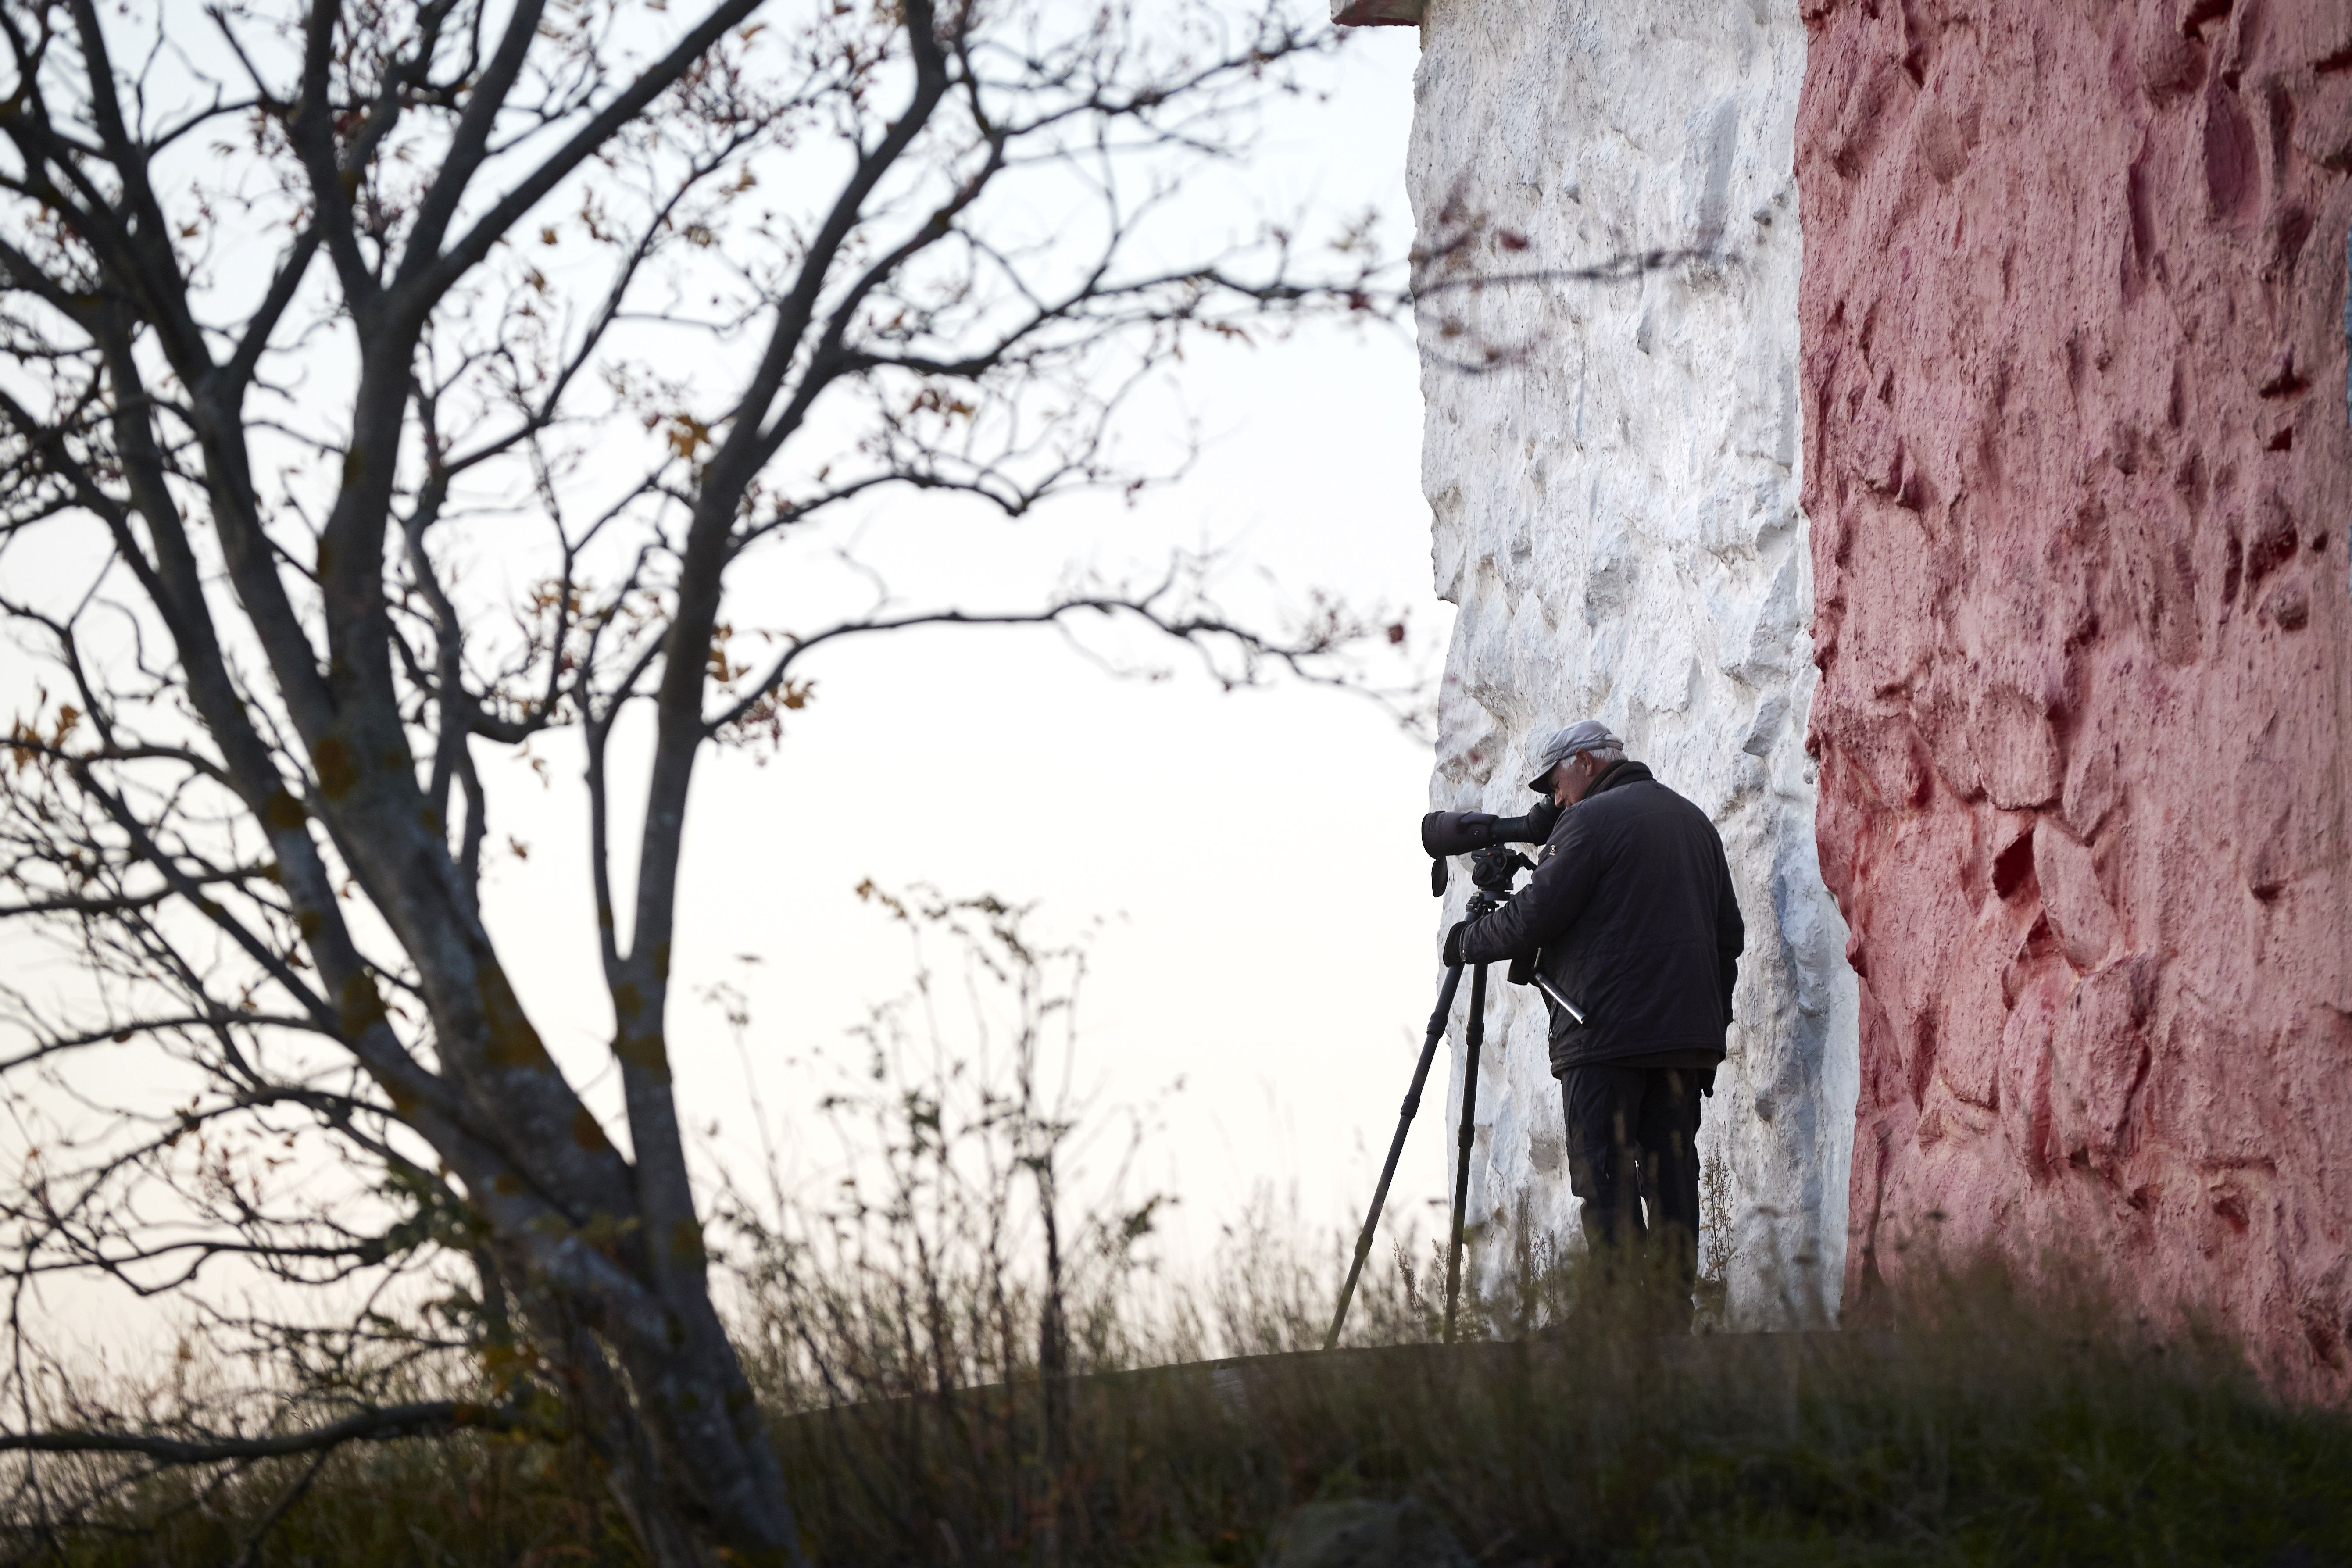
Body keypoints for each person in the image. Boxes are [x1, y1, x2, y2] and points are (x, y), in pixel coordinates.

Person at [1442, 720, 1744, 1326]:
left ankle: (1615, 1312)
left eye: (1555, 784)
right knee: (1671, 1170)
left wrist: (1468, 940)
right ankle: (1668, 1315)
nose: (1555, 800)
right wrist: (1710, 1026)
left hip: (1602, 1033)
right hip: (1685, 1041)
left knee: (1603, 1172)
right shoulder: (1693, 823)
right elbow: (1728, 939)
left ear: (1583, 763)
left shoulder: (1589, 823)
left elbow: (1535, 917)